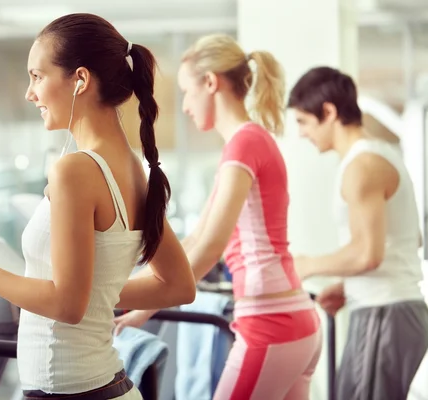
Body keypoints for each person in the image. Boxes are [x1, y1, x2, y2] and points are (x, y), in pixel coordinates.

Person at [0, 13, 196, 400]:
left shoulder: (76, 170)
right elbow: (178, 285)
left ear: (80, 80)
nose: (29, 92)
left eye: (37, 76)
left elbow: (68, 305)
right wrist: (98, 290)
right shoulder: (133, 171)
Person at [114, 33, 322, 400]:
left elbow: (211, 246)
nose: (185, 106)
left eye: (186, 92)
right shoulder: (247, 142)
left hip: (271, 322)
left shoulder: (244, 144)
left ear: (210, 83)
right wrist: (141, 310)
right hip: (293, 320)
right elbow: (194, 240)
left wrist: (104, 293)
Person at [289, 66, 428, 400]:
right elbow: (409, 241)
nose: (302, 134)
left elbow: (368, 253)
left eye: (303, 122)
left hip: (385, 313)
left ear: (329, 112)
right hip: (388, 310)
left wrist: (305, 265)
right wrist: (348, 285)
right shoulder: (379, 155)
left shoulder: (362, 166)